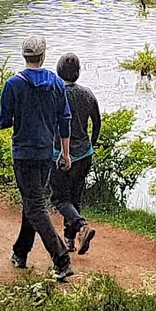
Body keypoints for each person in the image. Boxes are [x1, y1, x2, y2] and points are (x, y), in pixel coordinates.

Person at [0, 34, 72, 279]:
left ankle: (61, 259)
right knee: (32, 202)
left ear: (24, 56)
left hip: (23, 153)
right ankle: (20, 252)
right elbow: (65, 119)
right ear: (43, 56)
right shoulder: (56, 83)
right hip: (45, 155)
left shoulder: (13, 84)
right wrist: (65, 152)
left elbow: (4, 121)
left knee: (36, 206)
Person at [52, 52, 100, 255]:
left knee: (60, 199)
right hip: (84, 153)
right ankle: (69, 241)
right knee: (75, 197)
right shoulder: (87, 93)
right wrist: (92, 144)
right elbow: (96, 123)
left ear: (58, 71)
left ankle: (81, 228)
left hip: (60, 154)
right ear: (78, 72)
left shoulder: (55, 93)